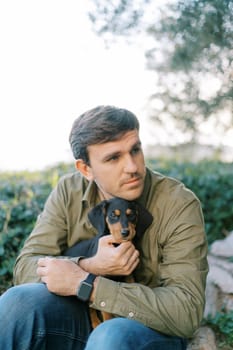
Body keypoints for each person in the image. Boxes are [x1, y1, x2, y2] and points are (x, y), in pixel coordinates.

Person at [0, 105, 208, 350]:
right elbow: (26, 266)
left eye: (135, 150)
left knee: (111, 336)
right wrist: (88, 266)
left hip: (148, 327)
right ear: (85, 169)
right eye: (113, 158)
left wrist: (89, 284)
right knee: (16, 302)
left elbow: (186, 312)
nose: (132, 167)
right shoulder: (69, 191)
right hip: (83, 317)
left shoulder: (178, 203)